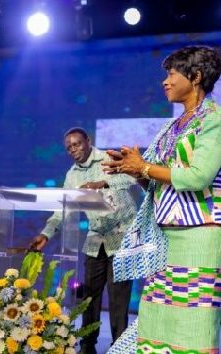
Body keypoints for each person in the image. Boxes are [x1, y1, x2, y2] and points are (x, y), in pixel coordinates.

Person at [105, 46, 221, 354]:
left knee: (190, 323)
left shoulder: (214, 120)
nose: (164, 82)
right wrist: (136, 171)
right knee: (157, 320)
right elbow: (159, 186)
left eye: (171, 74)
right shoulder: (172, 126)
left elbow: (198, 177)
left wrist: (144, 166)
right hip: (164, 236)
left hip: (199, 235)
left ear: (195, 77)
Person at [28, 127, 137, 353]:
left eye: (77, 144)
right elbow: (63, 209)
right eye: (69, 147)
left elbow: (130, 178)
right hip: (96, 239)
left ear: (88, 141)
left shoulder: (108, 158)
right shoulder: (72, 175)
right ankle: (88, 345)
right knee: (89, 297)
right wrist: (46, 233)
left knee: (118, 298)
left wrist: (102, 184)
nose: (73, 150)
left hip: (122, 237)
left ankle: (119, 347)